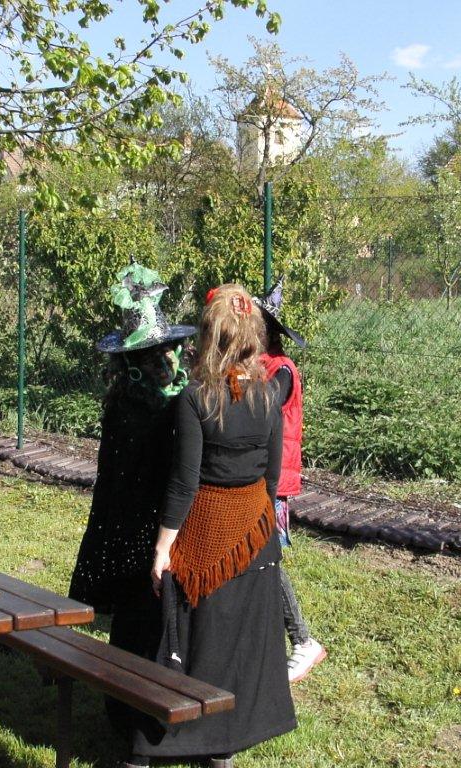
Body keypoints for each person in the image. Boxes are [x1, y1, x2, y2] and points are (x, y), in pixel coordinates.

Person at [127, 284, 296, 768]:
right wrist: (254, 525)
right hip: (255, 539)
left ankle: (155, 745)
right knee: (235, 646)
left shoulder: (194, 397)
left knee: (187, 641)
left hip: (203, 537)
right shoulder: (269, 394)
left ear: (209, 337)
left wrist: (163, 548)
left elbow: (184, 483)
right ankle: (221, 746)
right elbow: (270, 478)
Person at [69, 264, 195, 726]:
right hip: (143, 527)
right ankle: (137, 709)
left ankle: (127, 706)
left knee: (139, 615)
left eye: (170, 352)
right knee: (143, 615)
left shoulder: (148, 400)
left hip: (135, 523)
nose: (170, 362)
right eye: (159, 356)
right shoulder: (145, 408)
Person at [256, 277, 327, 683]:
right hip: (255, 475)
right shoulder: (257, 366)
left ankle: (303, 640)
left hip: (272, 480)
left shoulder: (281, 370)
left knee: (268, 558)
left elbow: (260, 405)